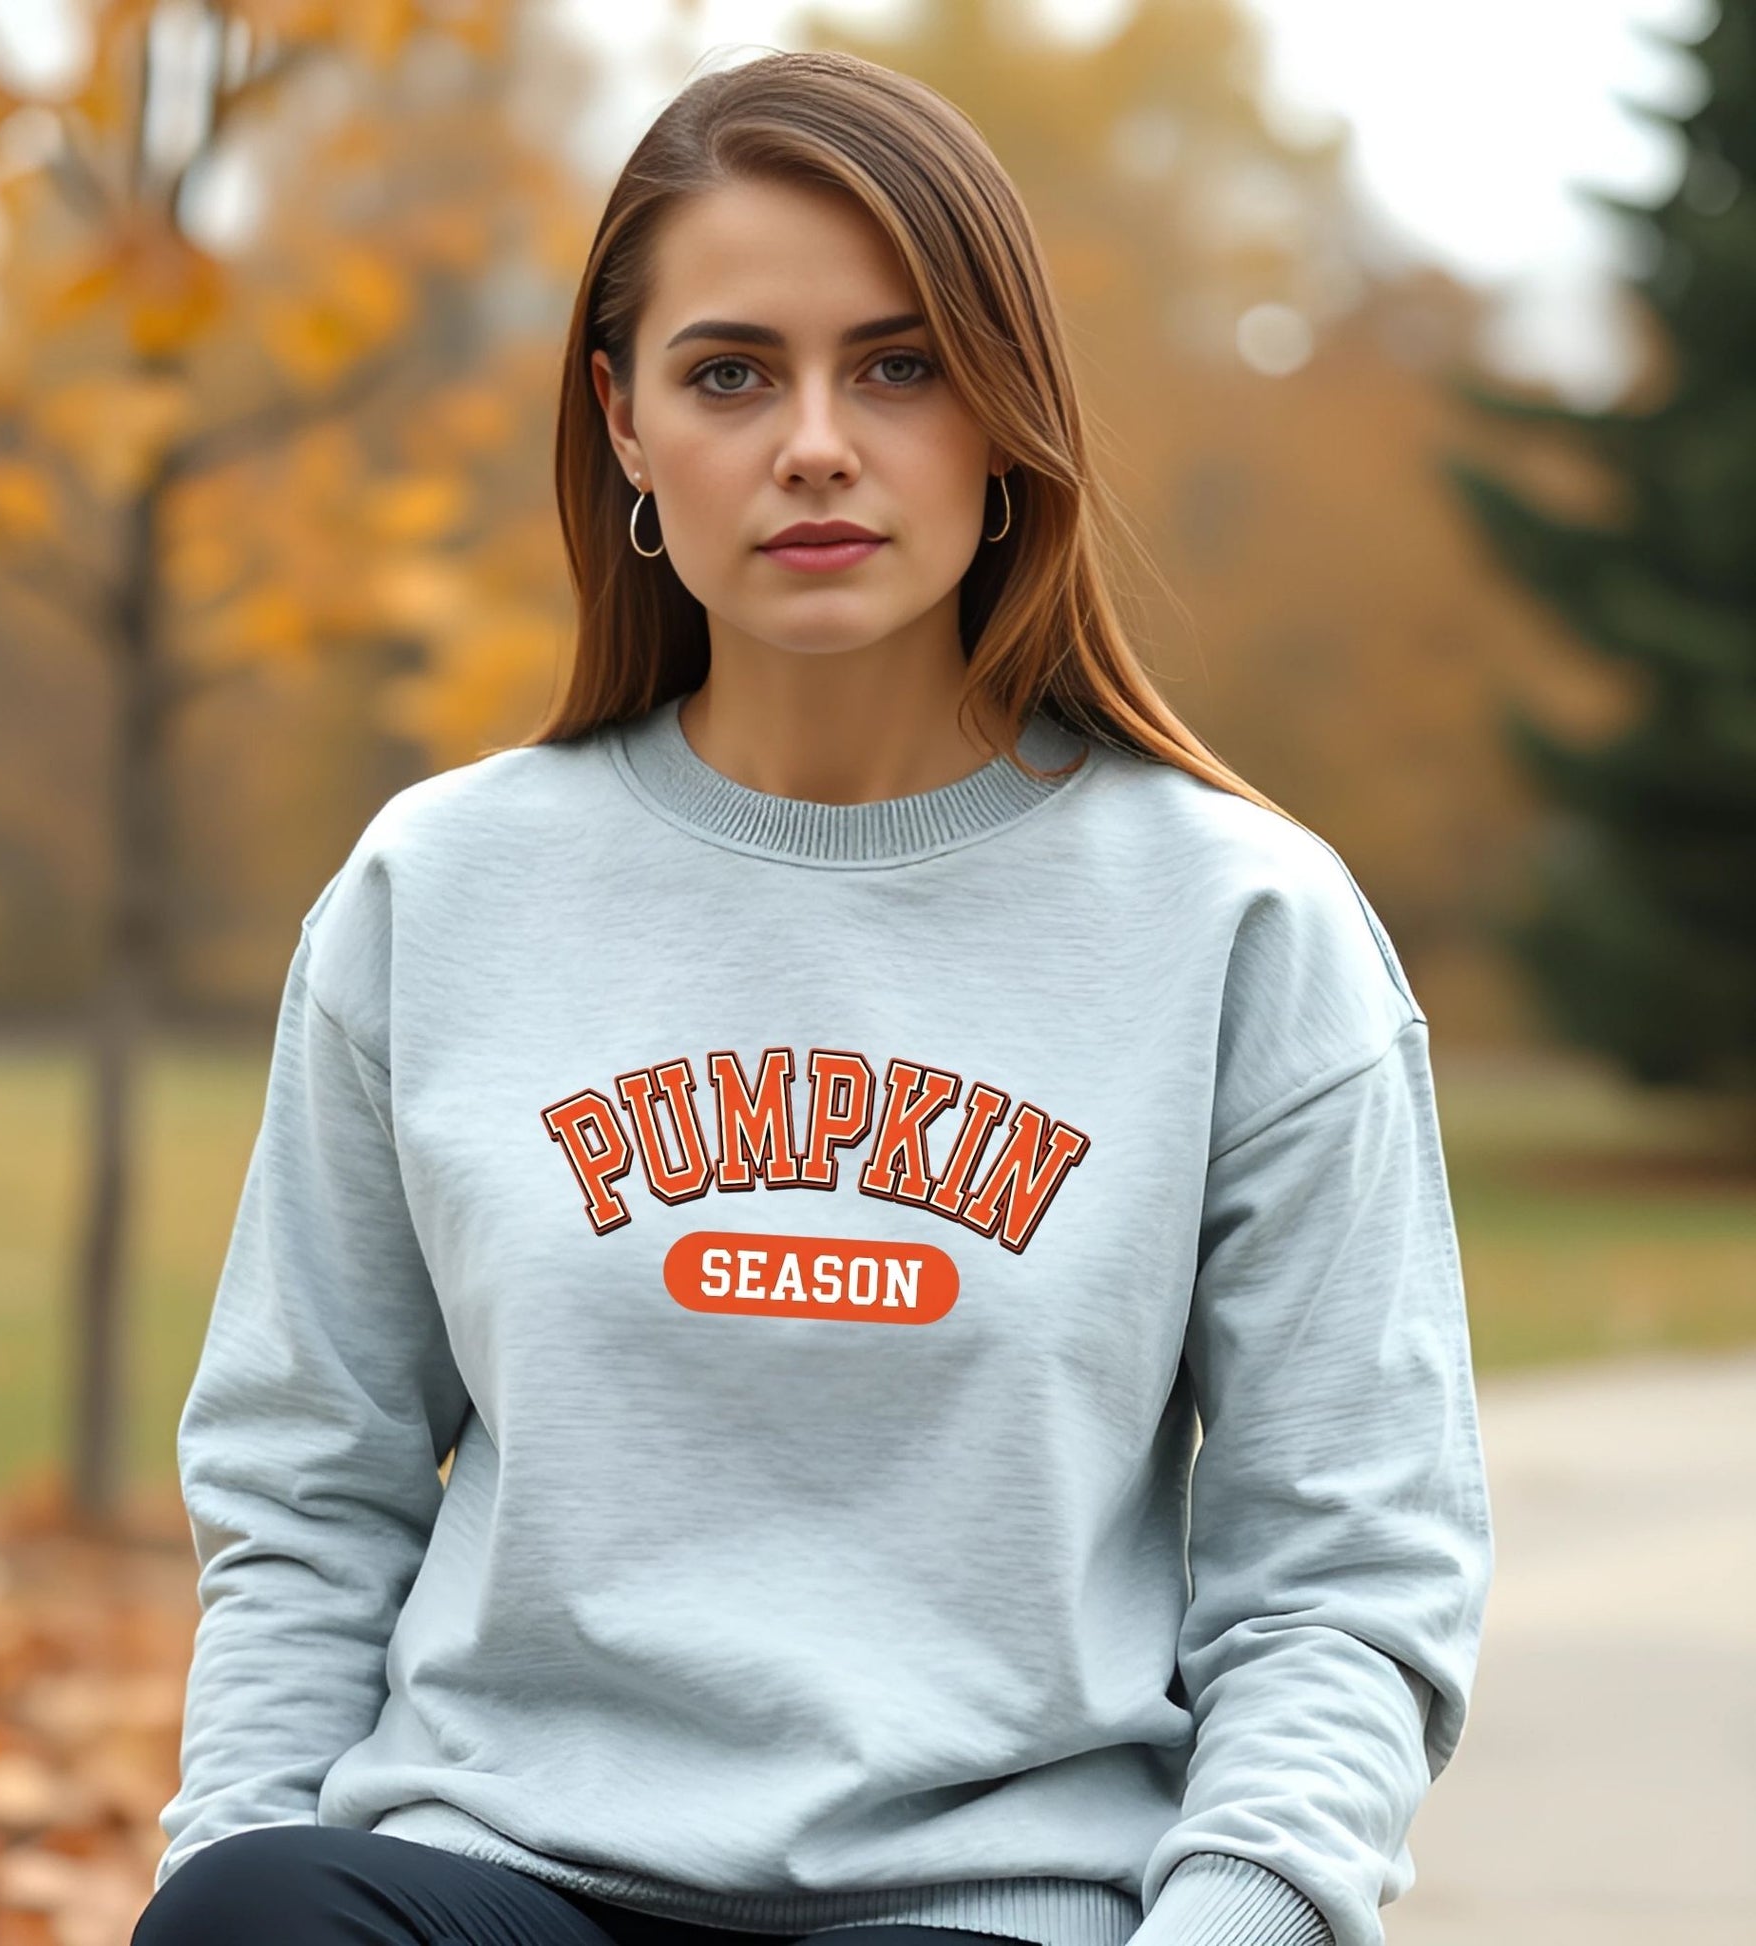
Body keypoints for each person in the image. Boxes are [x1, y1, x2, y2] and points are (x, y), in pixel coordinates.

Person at [133, 45, 1493, 1946]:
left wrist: (1230, 1918)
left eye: (898, 365)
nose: (816, 444)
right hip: (501, 1874)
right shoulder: (437, 892)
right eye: (728, 373)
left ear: (1004, 411)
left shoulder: (1238, 923)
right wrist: (224, 1860)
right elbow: (308, 1493)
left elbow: (1347, 1571)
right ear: (620, 420)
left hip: (993, 1902)